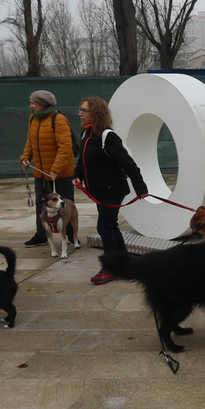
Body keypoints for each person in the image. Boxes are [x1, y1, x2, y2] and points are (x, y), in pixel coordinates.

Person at [77, 95, 148, 284]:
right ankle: (125, 263)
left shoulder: (107, 136)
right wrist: (78, 174)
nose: (80, 114)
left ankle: (111, 267)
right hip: (99, 191)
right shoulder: (86, 134)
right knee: (111, 225)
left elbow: (128, 164)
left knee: (104, 226)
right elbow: (83, 159)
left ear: (96, 113)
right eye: (80, 110)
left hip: (112, 190)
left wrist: (140, 187)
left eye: (84, 111)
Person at [20, 90, 75, 247]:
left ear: (40, 104)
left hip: (61, 173)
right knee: (41, 204)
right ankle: (42, 234)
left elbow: (65, 147)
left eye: (32, 103)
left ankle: (71, 235)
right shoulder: (33, 119)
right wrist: (25, 157)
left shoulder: (58, 119)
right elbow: (30, 142)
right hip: (41, 173)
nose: (30, 106)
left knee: (65, 204)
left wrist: (56, 169)